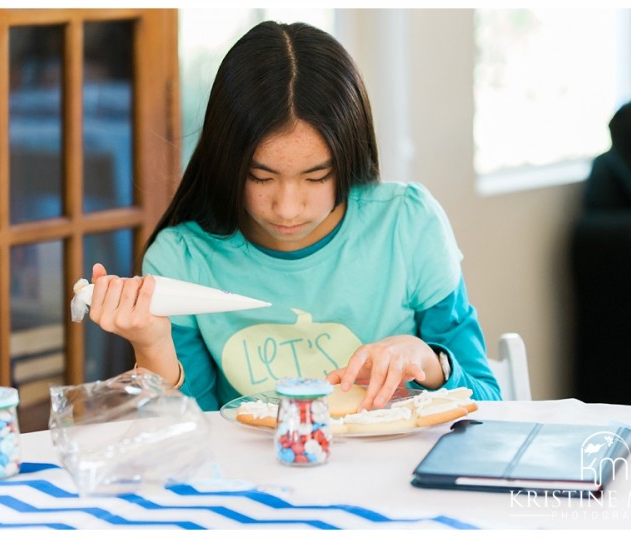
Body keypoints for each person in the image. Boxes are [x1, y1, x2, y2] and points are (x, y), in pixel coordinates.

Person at [86, 20, 501, 412]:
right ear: (227, 164)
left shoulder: (407, 226)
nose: (287, 207)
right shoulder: (182, 260)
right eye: (260, 177)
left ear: (349, 158)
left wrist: (428, 362)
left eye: (317, 176)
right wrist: (153, 348)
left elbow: (492, 404)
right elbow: (189, 445)